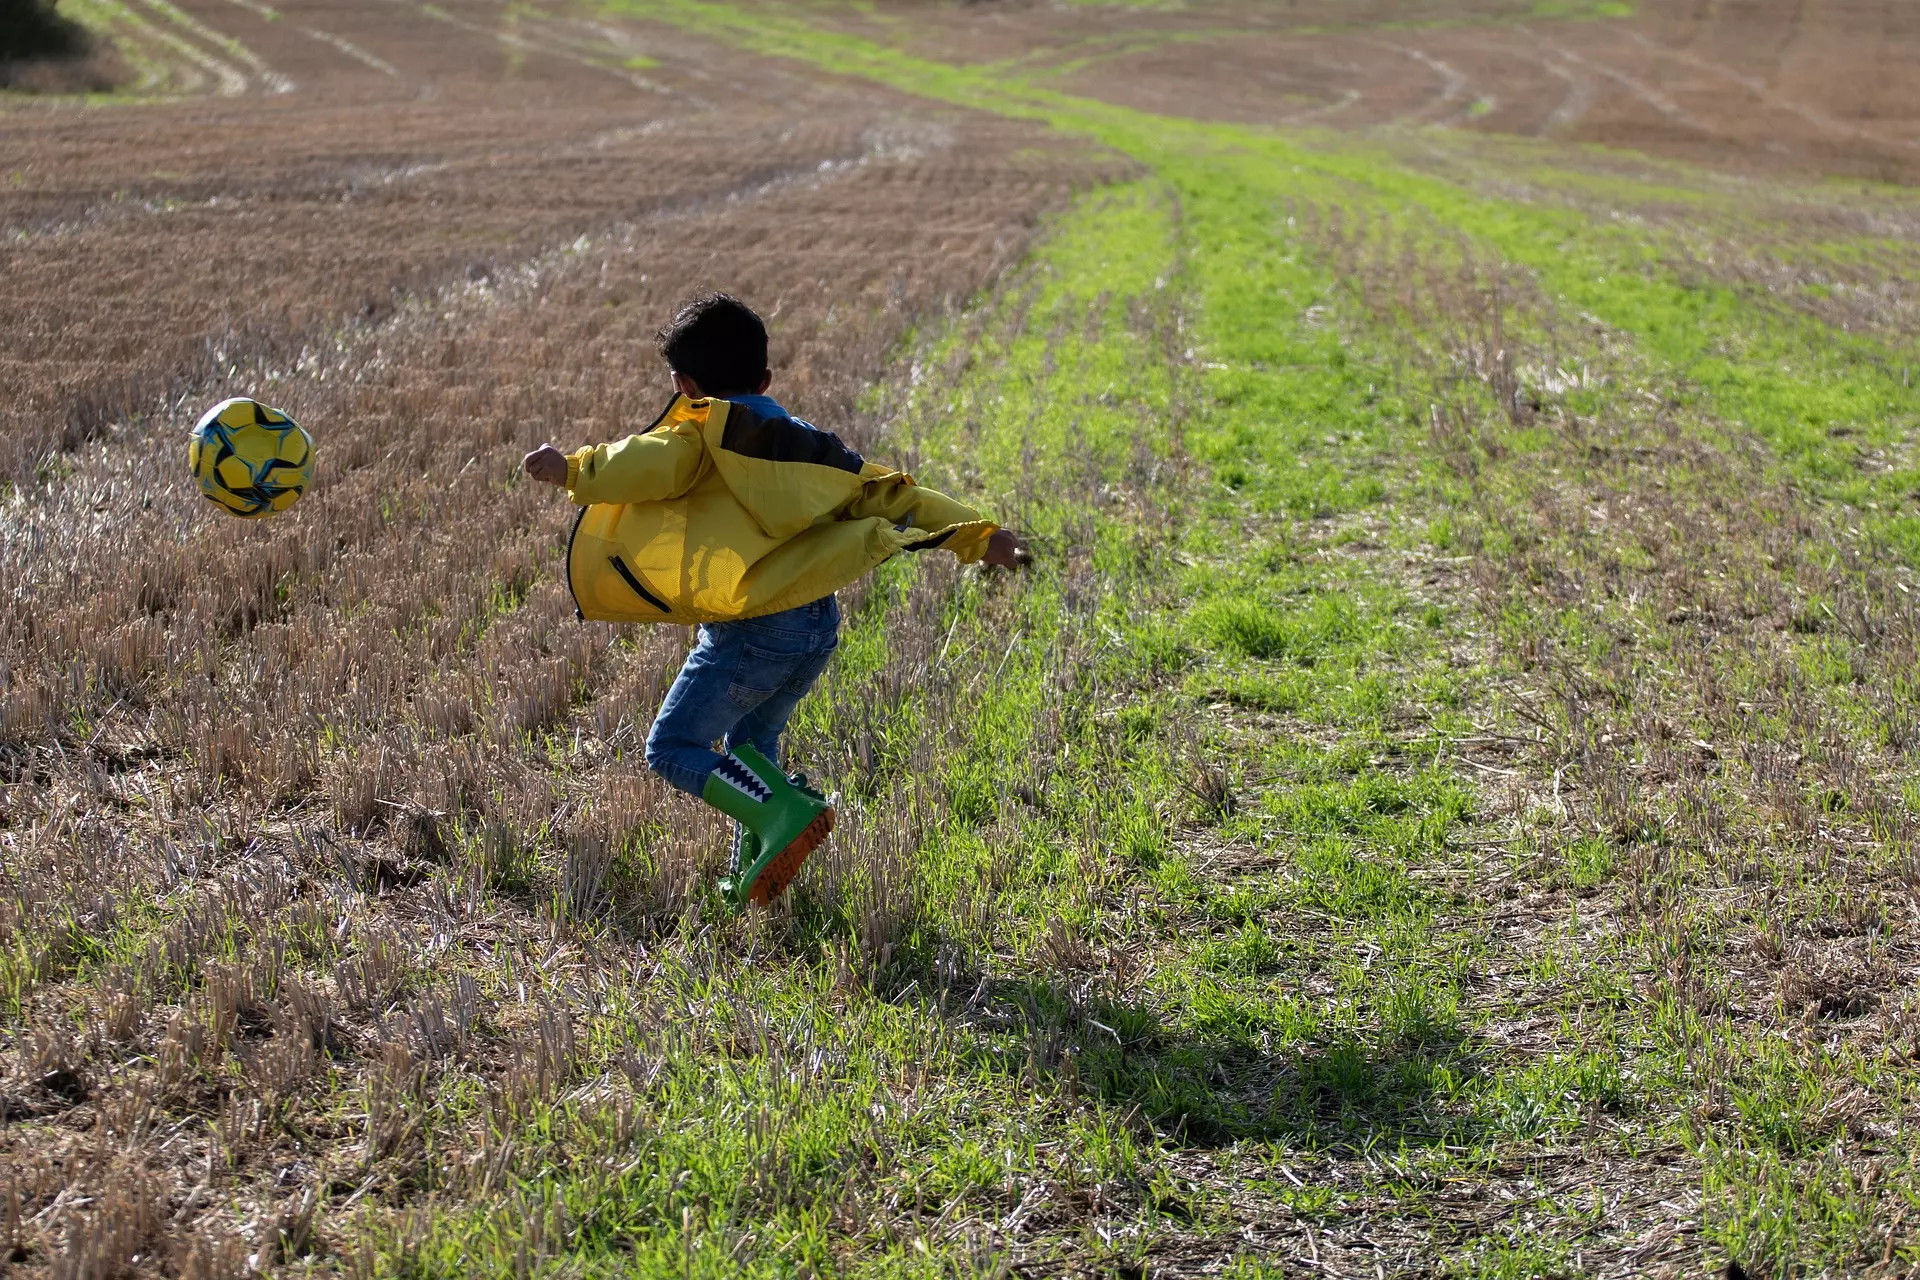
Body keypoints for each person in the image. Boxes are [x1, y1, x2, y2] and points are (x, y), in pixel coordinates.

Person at [523, 293, 1030, 908]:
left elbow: (646, 462)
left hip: (753, 632)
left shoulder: (699, 433)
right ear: (766, 379)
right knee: (752, 751)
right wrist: (982, 535)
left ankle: (784, 809)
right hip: (814, 625)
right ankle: (753, 873)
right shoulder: (811, 450)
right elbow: (893, 495)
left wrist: (574, 468)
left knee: (672, 747)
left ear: (684, 385)